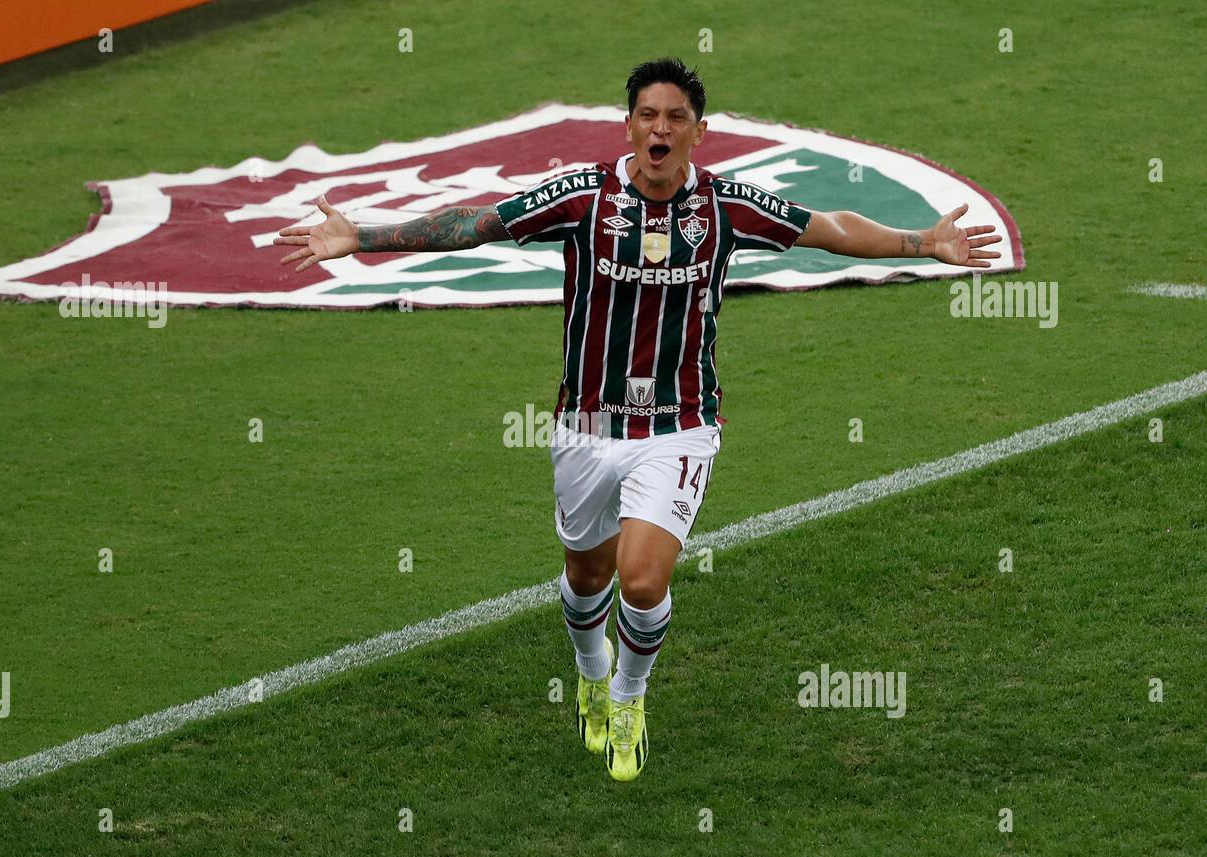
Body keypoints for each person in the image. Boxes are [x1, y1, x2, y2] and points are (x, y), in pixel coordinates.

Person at [275, 57, 1001, 781]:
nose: (660, 128)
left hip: (680, 423)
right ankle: (591, 676)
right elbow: (478, 223)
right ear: (628, 125)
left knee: (643, 580)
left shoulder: (724, 208)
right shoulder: (585, 199)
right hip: (587, 427)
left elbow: (826, 227)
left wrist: (924, 243)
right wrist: (363, 237)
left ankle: (628, 698)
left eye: (675, 117)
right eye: (648, 115)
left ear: (699, 132)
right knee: (587, 577)